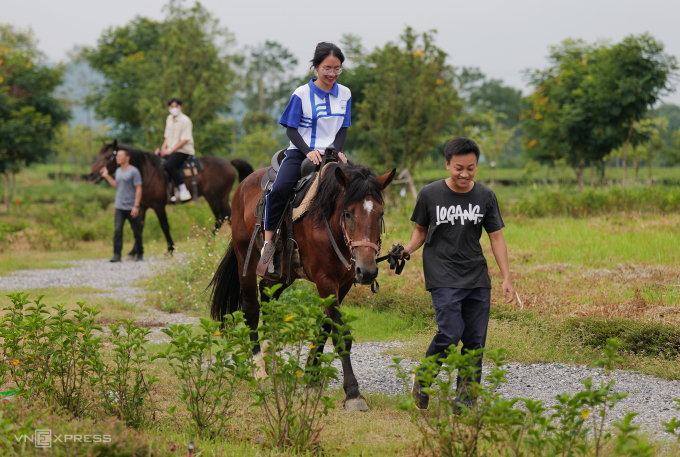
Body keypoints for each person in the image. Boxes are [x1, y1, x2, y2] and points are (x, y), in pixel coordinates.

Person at [399, 137, 515, 411]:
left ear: (477, 166)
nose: (465, 174)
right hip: (442, 274)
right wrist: (407, 249)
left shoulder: (485, 196)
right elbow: (420, 231)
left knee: (475, 341)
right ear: (448, 164)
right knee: (451, 333)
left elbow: (496, 238)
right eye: (459, 167)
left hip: (476, 276)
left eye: (471, 168)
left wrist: (506, 277)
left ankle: (465, 401)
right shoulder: (430, 194)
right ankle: (424, 379)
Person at [258, 42, 352, 274]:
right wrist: (308, 150)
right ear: (316, 67)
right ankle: (268, 245)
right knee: (279, 190)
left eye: (337, 69)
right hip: (301, 152)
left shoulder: (346, 94)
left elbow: (343, 128)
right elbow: (290, 129)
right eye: (327, 68)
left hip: (331, 155)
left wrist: (337, 150)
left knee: (358, 191)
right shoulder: (301, 94)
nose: (332, 74)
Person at [101, 149, 144, 262]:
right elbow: (117, 185)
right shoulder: (118, 171)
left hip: (131, 207)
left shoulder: (134, 171)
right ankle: (117, 255)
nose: (117, 158)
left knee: (137, 231)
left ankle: (139, 254)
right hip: (119, 206)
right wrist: (106, 176)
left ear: (127, 158)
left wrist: (136, 206)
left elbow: (138, 188)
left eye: (120, 156)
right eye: (117, 156)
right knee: (117, 230)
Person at [155, 98, 195, 202]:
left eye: (176, 106)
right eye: (172, 106)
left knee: (169, 165)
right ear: (169, 108)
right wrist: (161, 150)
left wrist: (170, 151)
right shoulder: (169, 119)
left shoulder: (185, 120)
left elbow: (185, 140)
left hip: (183, 151)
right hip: (170, 149)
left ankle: (183, 190)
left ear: (180, 107)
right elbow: (167, 138)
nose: (174, 108)